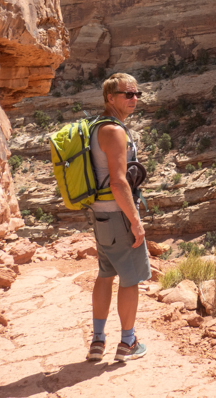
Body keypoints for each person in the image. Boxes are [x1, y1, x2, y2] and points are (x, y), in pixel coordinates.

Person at [86, 73, 150, 362]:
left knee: (105, 274)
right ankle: (128, 342)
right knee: (130, 278)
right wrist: (135, 221)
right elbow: (119, 182)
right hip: (117, 216)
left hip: (101, 216)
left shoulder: (95, 126)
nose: (133, 98)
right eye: (127, 94)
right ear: (110, 98)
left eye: (136, 93)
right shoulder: (114, 130)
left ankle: (97, 341)